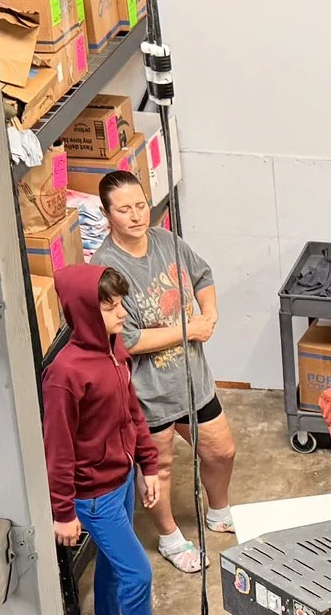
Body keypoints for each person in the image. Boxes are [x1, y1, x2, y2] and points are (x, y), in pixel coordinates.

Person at [42, 262, 191, 615]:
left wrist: (147, 465)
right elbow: (58, 448)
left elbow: (133, 413)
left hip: (121, 478)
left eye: (120, 303)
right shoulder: (65, 375)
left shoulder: (114, 351)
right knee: (137, 571)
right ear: (85, 312)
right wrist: (63, 511)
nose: (122, 314)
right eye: (109, 308)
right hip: (92, 494)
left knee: (112, 564)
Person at [91, 169, 235, 575]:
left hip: (194, 380)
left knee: (221, 450)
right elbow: (128, 340)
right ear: (107, 214)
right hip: (149, 393)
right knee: (161, 468)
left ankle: (218, 511)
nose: (136, 216)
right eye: (124, 210)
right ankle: (170, 537)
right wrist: (190, 329)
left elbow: (202, 275)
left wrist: (209, 314)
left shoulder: (166, 241)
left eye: (141, 205)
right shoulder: (106, 268)